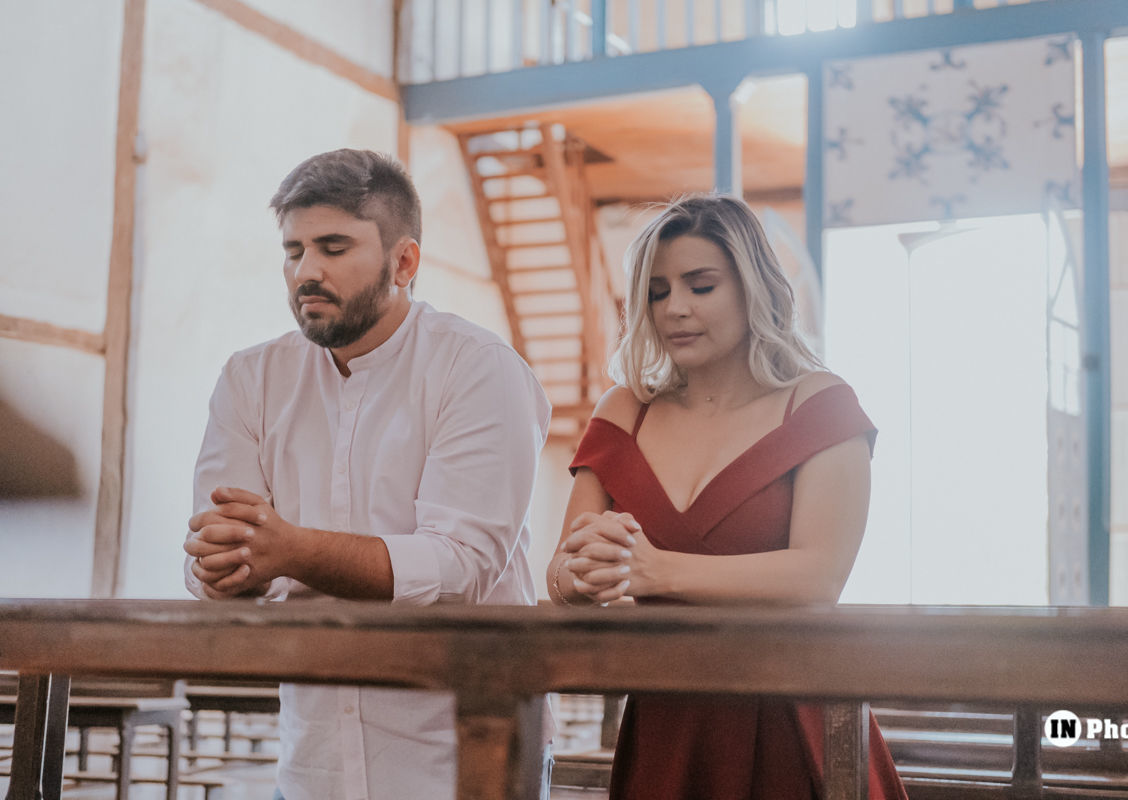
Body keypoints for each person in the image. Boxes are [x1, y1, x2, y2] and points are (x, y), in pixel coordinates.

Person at [183, 149, 551, 800]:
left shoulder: (478, 368)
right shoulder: (251, 379)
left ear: (404, 263)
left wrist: (288, 550)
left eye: (333, 247)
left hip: (462, 760)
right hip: (311, 766)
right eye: (293, 251)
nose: (306, 271)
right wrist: (223, 568)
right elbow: (220, 548)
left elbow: (458, 567)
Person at [546, 194, 908, 799]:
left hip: (791, 718)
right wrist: (582, 576)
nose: (675, 308)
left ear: (752, 287)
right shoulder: (625, 410)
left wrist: (655, 571)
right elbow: (561, 570)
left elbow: (818, 577)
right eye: (657, 292)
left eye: (701, 286)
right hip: (666, 719)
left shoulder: (819, 404)